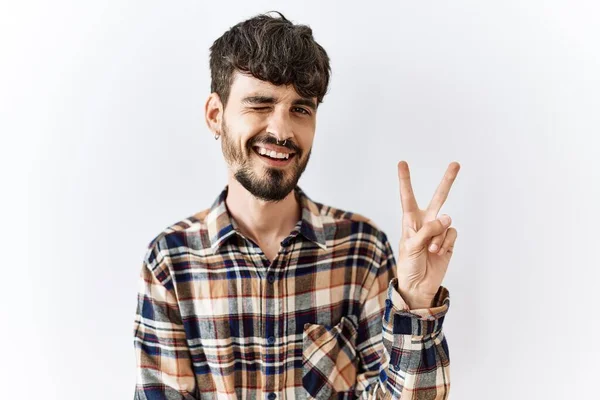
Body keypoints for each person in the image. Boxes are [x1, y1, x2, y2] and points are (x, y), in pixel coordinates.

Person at [133, 11, 460, 400]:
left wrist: (417, 302)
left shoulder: (362, 249)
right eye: (260, 104)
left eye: (300, 109)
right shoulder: (171, 261)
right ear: (215, 116)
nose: (282, 130)